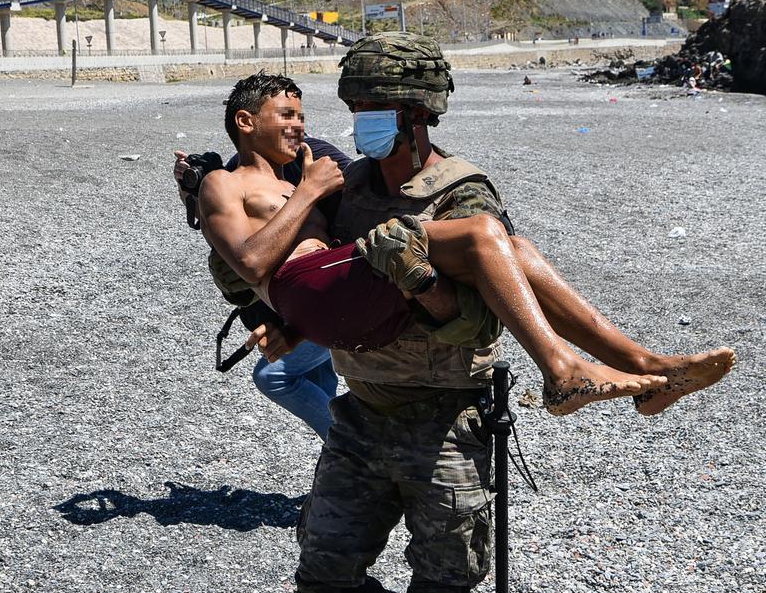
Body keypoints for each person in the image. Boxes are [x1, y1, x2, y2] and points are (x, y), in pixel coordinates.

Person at [195, 34, 733, 593]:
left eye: (376, 112)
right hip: (364, 412)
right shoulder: (348, 188)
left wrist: (420, 282)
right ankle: (623, 368)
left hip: (444, 419)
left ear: (418, 114)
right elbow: (285, 263)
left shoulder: (459, 191)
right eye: (356, 111)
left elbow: (481, 322)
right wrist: (284, 320)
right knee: (325, 588)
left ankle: (621, 368)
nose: (360, 124)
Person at [199, 70, 731, 416]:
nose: (299, 125)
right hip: (307, 290)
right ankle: (561, 369)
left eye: (301, 115)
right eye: (286, 116)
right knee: (480, 234)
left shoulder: (297, 177)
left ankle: (646, 367)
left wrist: (308, 190)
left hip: (330, 292)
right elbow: (249, 262)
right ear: (246, 123)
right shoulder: (224, 183)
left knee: (512, 249)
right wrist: (310, 192)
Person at [173, 140, 353, 441]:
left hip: (334, 299)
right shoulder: (236, 172)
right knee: (320, 383)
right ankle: (340, 473)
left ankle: (349, 444)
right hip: (289, 309)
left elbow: (362, 205)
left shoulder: (319, 157)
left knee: (273, 376)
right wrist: (190, 191)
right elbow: (225, 237)